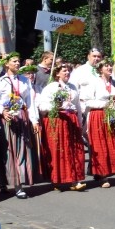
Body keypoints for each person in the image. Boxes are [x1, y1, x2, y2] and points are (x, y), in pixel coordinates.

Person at [0, 52, 41, 199]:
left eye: (19, 61)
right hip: (7, 119)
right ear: (7, 64)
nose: (18, 64)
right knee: (7, 151)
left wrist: (34, 120)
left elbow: (30, 102)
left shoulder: (25, 81)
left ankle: (19, 185)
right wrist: (2, 112)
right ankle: (4, 182)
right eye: (14, 61)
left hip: (21, 118)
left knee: (22, 150)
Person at [38, 63, 86, 191]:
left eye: (69, 71)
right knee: (58, 150)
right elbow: (42, 106)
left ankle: (74, 180)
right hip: (57, 120)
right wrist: (55, 107)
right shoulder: (51, 88)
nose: (67, 73)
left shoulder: (73, 88)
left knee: (74, 150)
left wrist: (80, 124)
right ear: (57, 73)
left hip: (72, 120)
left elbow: (78, 108)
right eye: (64, 71)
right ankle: (56, 180)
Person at [83, 60, 115, 188]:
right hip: (98, 115)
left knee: (111, 143)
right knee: (99, 144)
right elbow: (87, 101)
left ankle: (101, 171)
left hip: (111, 115)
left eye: (110, 65)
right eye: (106, 66)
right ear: (100, 69)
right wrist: (105, 105)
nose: (110, 67)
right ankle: (102, 175)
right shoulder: (94, 82)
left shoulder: (114, 82)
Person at [70, 48, 103, 114]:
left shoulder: (105, 71)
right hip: (84, 107)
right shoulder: (80, 71)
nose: (96, 59)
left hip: (101, 108)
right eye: (94, 56)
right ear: (88, 57)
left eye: (99, 57)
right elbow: (72, 89)